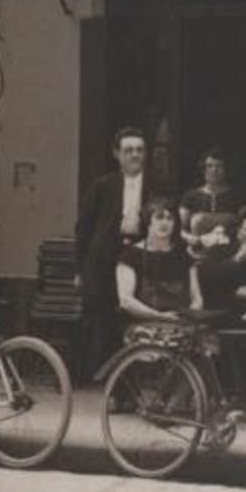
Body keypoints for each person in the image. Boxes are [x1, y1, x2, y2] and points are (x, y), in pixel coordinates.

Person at [74, 127, 169, 379]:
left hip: (141, 258)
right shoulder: (103, 186)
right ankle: (112, 388)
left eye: (139, 150)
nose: (134, 155)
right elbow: (84, 228)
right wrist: (80, 270)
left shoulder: (159, 183)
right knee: (105, 321)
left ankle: (136, 384)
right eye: (128, 150)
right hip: (105, 258)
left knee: (135, 321)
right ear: (117, 154)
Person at [114, 196, 202, 331]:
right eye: (159, 217)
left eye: (169, 218)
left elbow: (196, 298)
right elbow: (126, 301)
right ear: (148, 221)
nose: (164, 223)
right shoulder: (130, 256)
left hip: (181, 325)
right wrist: (161, 317)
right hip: (143, 326)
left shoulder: (184, 257)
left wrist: (188, 316)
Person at [196, 205, 246, 314]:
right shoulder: (217, 251)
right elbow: (206, 283)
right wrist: (237, 258)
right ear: (239, 231)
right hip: (222, 312)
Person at [178, 147, 244, 235]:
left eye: (219, 166)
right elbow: (180, 228)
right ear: (203, 169)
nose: (214, 170)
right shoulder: (190, 197)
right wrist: (192, 239)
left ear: (226, 169)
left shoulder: (237, 196)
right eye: (209, 166)